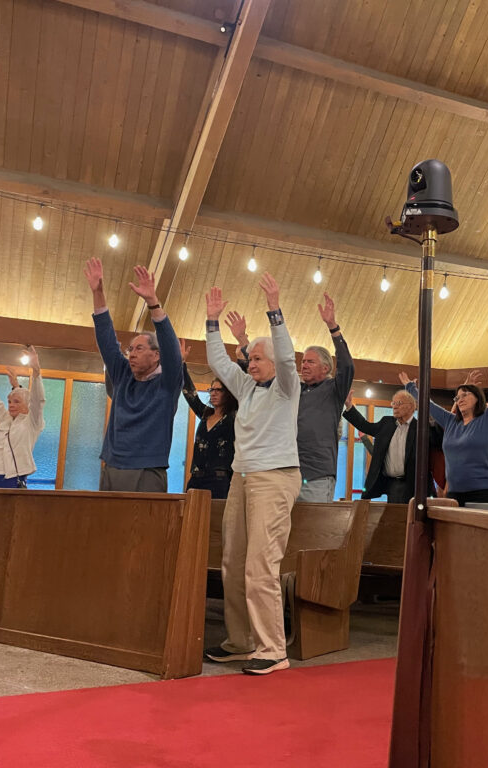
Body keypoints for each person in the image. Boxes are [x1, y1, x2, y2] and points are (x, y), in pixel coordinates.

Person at [202, 274, 301, 676]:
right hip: (241, 478)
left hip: (274, 477)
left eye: (258, 358)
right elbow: (218, 362)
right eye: (251, 359)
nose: (250, 362)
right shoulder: (246, 388)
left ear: (274, 362)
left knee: (261, 564)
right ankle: (242, 641)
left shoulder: (286, 388)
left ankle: (273, 649)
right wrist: (212, 323)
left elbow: (287, 357)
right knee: (234, 562)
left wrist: (274, 310)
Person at [84, 258, 183, 493]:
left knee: (144, 530)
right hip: (112, 465)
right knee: (107, 529)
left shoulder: (167, 384)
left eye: (139, 348)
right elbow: (107, 341)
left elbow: (172, 350)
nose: (132, 354)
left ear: (156, 355)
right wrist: (98, 294)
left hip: (147, 470)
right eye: (131, 349)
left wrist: (153, 303)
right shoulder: (123, 375)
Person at [400, 342, 488, 506]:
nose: (461, 399)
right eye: (457, 397)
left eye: (465, 394)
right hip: (454, 494)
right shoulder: (450, 421)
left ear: (477, 398)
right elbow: (427, 404)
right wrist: (410, 388)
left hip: (484, 493)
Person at [296, 293, 354, 502]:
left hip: (318, 476)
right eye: (303, 361)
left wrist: (333, 328)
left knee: (314, 533)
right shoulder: (297, 390)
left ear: (326, 367)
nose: (303, 365)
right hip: (290, 474)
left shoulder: (334, 389)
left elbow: (347, 366)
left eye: (310, 362)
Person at [342, 389, 443, 503]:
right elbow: (365, 426)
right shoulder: (386, 423)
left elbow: (439, 438)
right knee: (393, 517)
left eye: (399, 403)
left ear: (411, 407)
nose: (394, 406)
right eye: (393, 403)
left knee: (412, 519)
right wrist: (349, 405)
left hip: (414, 486)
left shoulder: (421, 428)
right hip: (392, 484)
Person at [0, 345, 46, 488]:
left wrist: (36, 370)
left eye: (16, 402)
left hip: (11, 476)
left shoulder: (32, 422)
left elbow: (38, 400)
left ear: (27, 405)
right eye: (10, 401)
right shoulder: (5, 419)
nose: (11, 405)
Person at [182, 369, 237, 498]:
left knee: (214, 516)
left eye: (219, 390)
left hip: (219, 480)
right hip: (196, 478)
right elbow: (191, 395)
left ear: (228, 393)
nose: (214, 393)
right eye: (211, 390)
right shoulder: (206, 414)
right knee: (190, 514)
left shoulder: (233, 418)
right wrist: (181, 364)